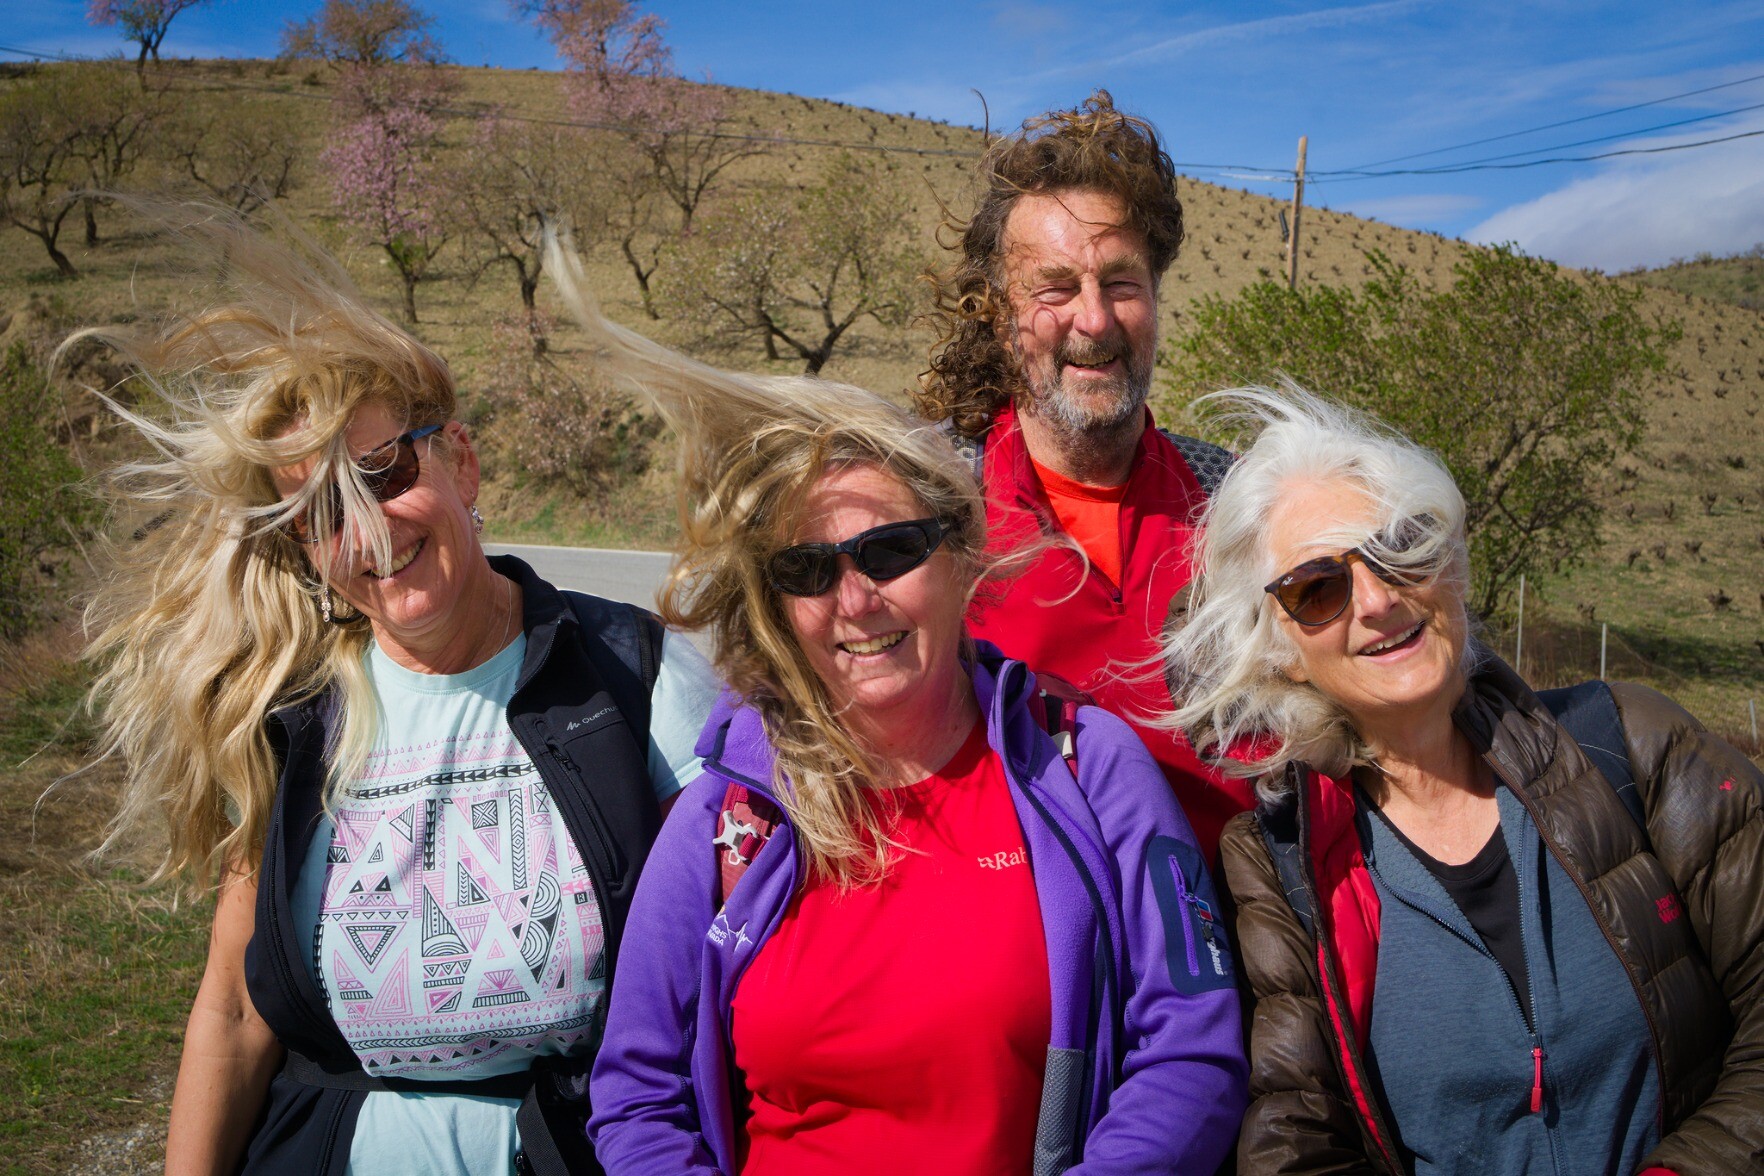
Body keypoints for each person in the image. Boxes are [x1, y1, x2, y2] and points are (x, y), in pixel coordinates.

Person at [539, 244, 1248, 1174]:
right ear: (776, 608)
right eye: (807, 570)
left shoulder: (1086, 766)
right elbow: (639, 1095)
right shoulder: (731, 815)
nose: (856, 600)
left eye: (890, 552)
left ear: (960, 560)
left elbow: (1191, 1052)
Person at [75, 209, 719, 1176]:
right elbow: (235, 1008)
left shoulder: (637, 671)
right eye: (323, 510)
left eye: (385, 472)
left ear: (459, 459)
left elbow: (733, 960)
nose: (369, 530)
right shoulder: (289, 720)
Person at [1162, 384, 1764, 1175]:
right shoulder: (1277, 861)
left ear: (1451, 563)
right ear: (1278, 647)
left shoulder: (1630, 744)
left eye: (1402, 547)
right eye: (1318, 588)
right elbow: (1296, 1139)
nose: (1377, 600)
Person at [916, 90, 1251, 859]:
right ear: (998, 314)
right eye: (1056, 288)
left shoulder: (1239, 504)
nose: (1094, 319)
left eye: (1122, 284)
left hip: (1234, 955)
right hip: (1022, 956)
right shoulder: (927, 503)